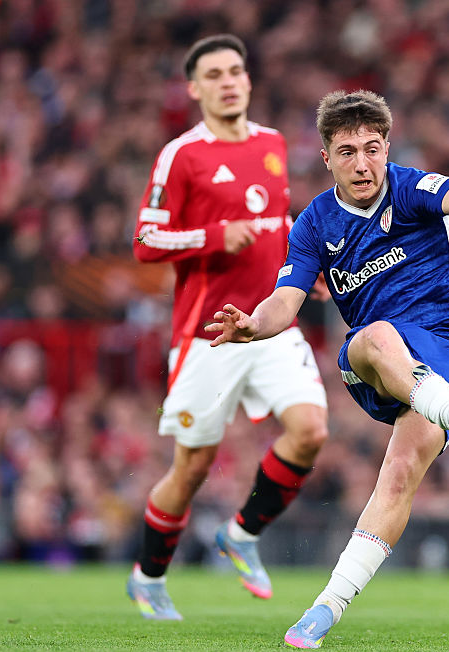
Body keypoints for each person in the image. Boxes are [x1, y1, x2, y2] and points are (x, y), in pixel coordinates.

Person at [206, 89, 449, 649]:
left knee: (398, 476)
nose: (363, 163)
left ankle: (324, 610)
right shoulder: (315, 224)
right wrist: (253, 323)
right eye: (348, 152)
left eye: (372, 149)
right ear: (327, 158)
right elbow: (286, 300)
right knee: (376, 334)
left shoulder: (409, 189)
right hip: (373, 361)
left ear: (387, 148)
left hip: (448, 352)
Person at [126, 34, 329, 620]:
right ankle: (148, 576)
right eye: (213, 75)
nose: (228, 82)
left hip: (268, 323)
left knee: (311, 431)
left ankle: (241, 534)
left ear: (248, 78)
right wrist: (214, 236)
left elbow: (278, 220)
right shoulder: (181, 155)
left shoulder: (271, 142)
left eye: (235, 71)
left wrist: (304, 269)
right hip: (209, 335)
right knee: (192, 468)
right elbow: (145, 240)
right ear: (195, 89)